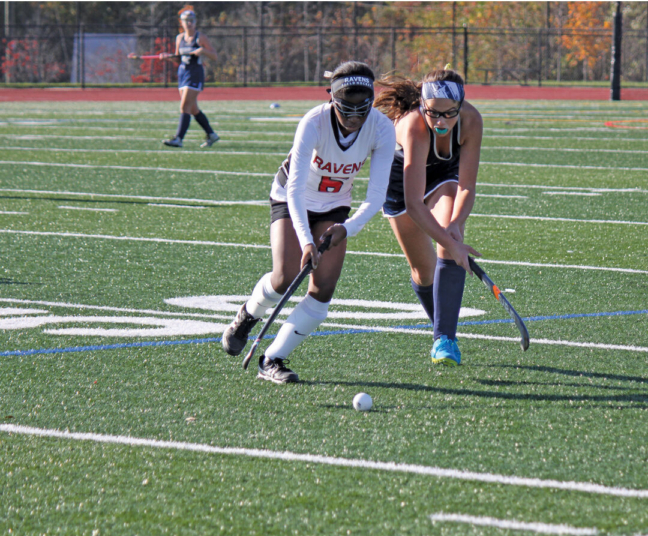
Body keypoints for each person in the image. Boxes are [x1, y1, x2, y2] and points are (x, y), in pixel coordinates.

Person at [221, 61, 396, 383]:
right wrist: (306, 241)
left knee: (323, 288)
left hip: (334, 206)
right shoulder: (313, 122)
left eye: (363, 104)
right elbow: (295, 187)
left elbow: (376, 195)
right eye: (348, 104)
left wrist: (347, 228)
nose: (355, 115)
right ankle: (247, 316)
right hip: (291, 198)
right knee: (286, 276)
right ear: (331, 97)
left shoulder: (382, 128)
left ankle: (272, 359)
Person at [374, 69, 482, 366]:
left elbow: (467, 187)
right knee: (423, 272)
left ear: (461, 107)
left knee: (449, 235)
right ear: (423, 105)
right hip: (401, 182)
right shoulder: (414, 127)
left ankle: (444, 338)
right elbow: (414, 203)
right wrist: (450, 240)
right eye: (433, 113)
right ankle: (443, 325)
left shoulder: (471, 121)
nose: (441, 122)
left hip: (444, 175)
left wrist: (456, 227)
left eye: (449, 114)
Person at [160, 7, 219, 148]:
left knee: (185, 105)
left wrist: (203, 50)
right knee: (192, 108)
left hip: (195, 73)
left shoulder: (200, 37)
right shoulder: (179, 38)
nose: (189, 23)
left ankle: (178, 138)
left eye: (191, 20)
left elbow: (214, 56)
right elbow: (178, 59)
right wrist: (167, 58)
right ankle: (211, 134)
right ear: (181, 22)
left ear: (195, 22)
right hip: (183, 73)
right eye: (186, 21)